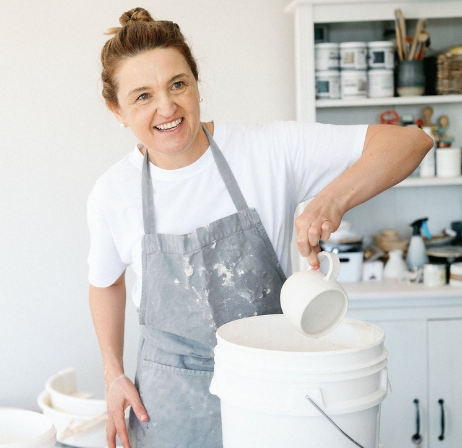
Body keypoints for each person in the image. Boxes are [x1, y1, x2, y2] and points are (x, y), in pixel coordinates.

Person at [87, 7, 432, 448]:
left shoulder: (267, 151)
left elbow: (412, 140)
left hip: (271, 393)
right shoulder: (112, 193)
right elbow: (104, 283)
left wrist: (331, 199)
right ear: (116, 110)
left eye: (178, 84)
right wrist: (112, 372)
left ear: (196, 84)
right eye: (142, 96)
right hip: (168, 407)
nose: (167, 107)